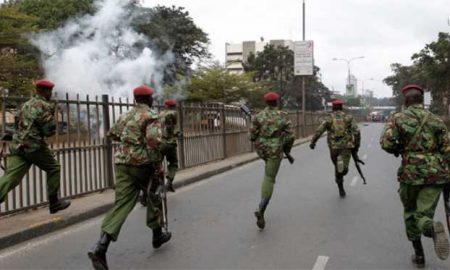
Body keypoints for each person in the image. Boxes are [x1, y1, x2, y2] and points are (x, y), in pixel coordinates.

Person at [88, 85, 171, 270]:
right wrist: (158, 164)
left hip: (122, 162)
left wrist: (131, 141)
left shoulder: (126, 115)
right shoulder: (151, 116)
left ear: (135, 99)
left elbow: (113, 133)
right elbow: (154, 143)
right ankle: (157, 235)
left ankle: (100, 247)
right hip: (142, 164)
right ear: (149, 99)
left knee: (122, 204)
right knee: (154, 196)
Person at [380, 84, 450, 267]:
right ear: (421, 100)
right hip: (437, 174)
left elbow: (386, 143)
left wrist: (401, 149)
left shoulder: (398, 118)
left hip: (411, 174)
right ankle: (429, 225)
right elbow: (447, 149)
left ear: (406, 101)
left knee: (410, 213)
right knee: (423, 213)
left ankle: (419, 254)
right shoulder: (437, 120)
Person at [0, 79, 70, 214]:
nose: (51, 93)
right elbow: (49, 131)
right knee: (54, 168)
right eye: (50, 91)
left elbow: (17, 124)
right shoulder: (44, 106)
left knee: (11, 177)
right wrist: (52, 116)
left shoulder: (26, 104)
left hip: (18, 145)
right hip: (33, 146)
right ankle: (54, 202)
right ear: (45, 91)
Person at [250, 92, 294, 229]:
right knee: (269, 177)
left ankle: (262, 208)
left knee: (268, 172)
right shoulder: (283, 116)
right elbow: (291, 136)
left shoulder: (258, 116)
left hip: (262, 149)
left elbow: (252, 136)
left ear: (266, 102)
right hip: (275, 150)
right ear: (277, 102)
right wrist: (286, 148)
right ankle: (261, 208)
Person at [309, 99, 361, 198]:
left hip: (333, 148)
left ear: (333, 107)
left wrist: (313, 142)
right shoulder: (348, 117)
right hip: (346, 146)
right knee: (342, 168)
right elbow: (357, 132)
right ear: (342, 107)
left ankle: (340, 187)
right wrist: (356, 145)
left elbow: (319, 130)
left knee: (337, 168)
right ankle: (343, 170)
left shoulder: (329, 118)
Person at [159, 99, 179, 192]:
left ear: (166, 105)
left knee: (157, 165)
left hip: (159, 142)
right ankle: (169, 182)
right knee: (173, 163)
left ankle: (156, 187)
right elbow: (173, 126)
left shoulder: (159, 114)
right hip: (169, 143)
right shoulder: (173, 113)